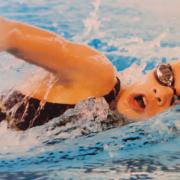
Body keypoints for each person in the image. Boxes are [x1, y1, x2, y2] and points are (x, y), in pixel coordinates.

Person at [0, 17, 179, 130]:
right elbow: (11, 34)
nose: (162, 94)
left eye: (177, 99)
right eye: (166, 75)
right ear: (153, 69)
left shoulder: (114, 125)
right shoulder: (97, 74)